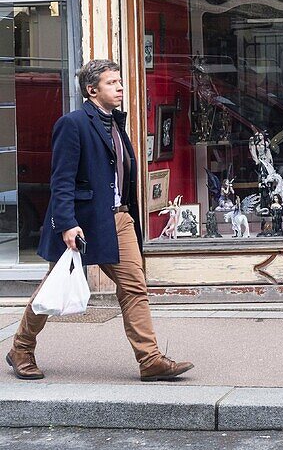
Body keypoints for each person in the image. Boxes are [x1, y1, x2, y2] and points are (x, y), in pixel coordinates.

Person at [6, 60, 194, 381]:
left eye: (120, 82)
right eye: (112, 83)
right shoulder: (73, 124)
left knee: (134, 287)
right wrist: (66, 223)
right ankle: (21, 349)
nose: (121, 88)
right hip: (81, 221)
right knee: (52, 288)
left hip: (118, 219)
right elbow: (61, 179)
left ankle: (149, 359)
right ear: (92, 90)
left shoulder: (115, 124)